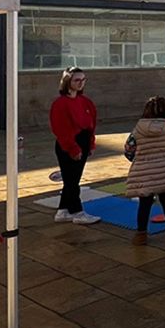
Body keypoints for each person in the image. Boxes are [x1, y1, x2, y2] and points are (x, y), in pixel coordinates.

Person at [124, 96, 165, 245]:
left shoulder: (138, 129)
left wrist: (137, 159)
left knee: (144, 203)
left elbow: (129, 149)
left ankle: (141, 234)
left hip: (145, 172)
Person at [49, 66, 100, 225]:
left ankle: (63, 210)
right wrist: (72, 148)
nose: (81, 83)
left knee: (72, 179)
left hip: (83, 141)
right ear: (67, 81)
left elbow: (91, 123)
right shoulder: (60, 104)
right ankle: (77, 212)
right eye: (77, 80)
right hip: (69, 144)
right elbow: (61, 128)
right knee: (72, 181)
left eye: (83, 80)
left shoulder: (85, 101)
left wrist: (90, 143)